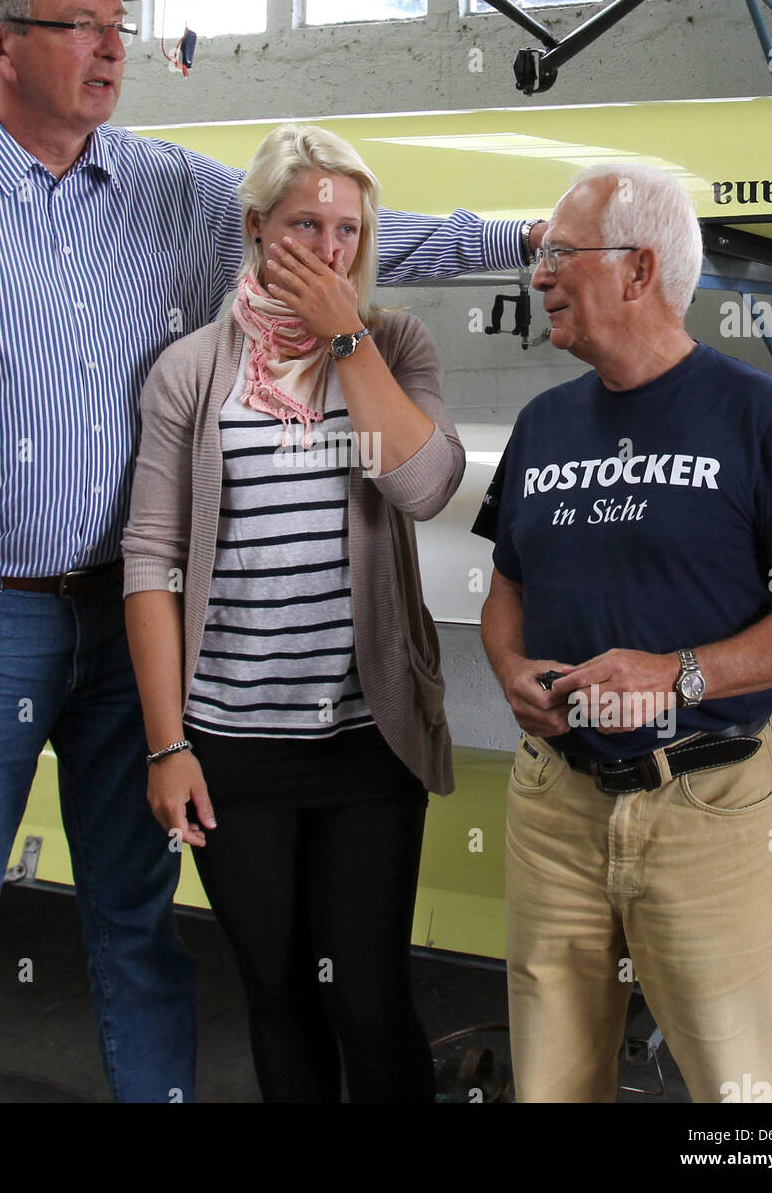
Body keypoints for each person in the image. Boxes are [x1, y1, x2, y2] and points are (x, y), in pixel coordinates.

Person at [0, 0, 542, 1103]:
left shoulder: (176, 190)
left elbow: (339, 240)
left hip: (138, 635)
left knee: (137, 927)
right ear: (0, 44)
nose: (110, 49)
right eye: (81, 26)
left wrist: (532, 242)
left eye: (117, 28)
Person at [475, 163, 772, 1104]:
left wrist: (675, 674)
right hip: (553, 808)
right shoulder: (542, 422)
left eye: (560, 253)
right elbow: (503, 589)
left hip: (705, 808)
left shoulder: (756, 414)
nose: (540, 274)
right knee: (552, 1086)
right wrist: (509, 668)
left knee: (745, 1096)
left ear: (638, 270)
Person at [123, 123, 463, 1103]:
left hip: (365, 737)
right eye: (305, 224)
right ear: (255, 226)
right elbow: (150, 560)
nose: (328, 249)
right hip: (232, 742)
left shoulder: (393, 343)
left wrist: (345, 335)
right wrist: (165, 745)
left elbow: (425, 483)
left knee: (367, 992)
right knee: (276, 989)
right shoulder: (192, 369)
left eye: (348, 230)